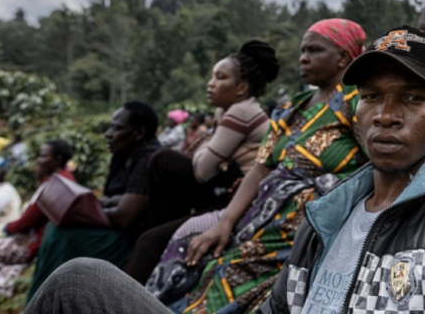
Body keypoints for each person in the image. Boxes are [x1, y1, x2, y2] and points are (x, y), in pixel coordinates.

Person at [24, 24, 425, 314]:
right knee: (79, 282)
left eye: (413, 99)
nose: (386, 115)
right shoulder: (331, 208)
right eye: (372, 97)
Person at [144, 19, 368, 314]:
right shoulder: (292, 109)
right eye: (302, 50)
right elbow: (260, 169)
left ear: (342, 57)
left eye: (314, 50)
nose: (303, 57)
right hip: (261, 215)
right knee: (193, 251)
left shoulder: (358, 102)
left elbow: (376, 165)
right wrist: (225, 222)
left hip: (307, 225)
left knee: (229, 272)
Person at [124, 41, 279, 284]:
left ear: (241, 87)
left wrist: (209, 150)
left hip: (236, 198)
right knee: (163, 164)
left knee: (162, 164)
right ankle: (161, 227)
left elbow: (201, 170)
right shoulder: (230, 111)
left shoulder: (242, 111)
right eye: (212, 76)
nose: (210, 83)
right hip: (223, 188)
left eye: (220, 77)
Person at [26, 101, 161, 302]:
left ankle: (47, 301)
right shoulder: (122, 157)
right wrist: (112, 202)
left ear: (139, 132)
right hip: (113, 230)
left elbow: (126, 217)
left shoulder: (148, 158)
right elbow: (107, 200)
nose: (108, 133)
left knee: (61, 235)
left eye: (116, 128)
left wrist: (104, 205)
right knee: (56, 229)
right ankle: (44, 300)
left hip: (131, 242)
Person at [0, 140, 74, 312]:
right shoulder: (56, 180)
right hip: (31, 237)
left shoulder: (54, 183)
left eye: (43, 156)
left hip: (31, 241)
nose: (38, 160)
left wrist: (10, 229)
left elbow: (29, 218)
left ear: (58, 159)